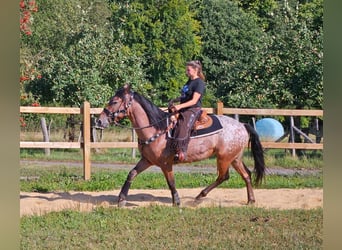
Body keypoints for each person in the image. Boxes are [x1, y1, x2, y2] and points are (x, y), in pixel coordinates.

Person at [168, 60, 206, 162]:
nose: (187, 72)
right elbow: (185, 96)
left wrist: (180, 106)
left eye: (188, 70)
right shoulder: (189, 81)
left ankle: (181, 151)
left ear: (196, 70)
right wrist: (175, 101)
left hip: (193, 109)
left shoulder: (199, 83)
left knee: (182, 124)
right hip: (184, 107)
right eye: (187, 70)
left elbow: (194, 100)